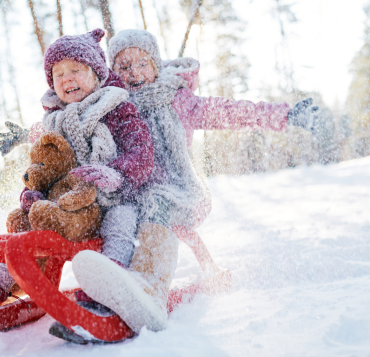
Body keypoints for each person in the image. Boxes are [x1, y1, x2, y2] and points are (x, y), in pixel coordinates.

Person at [0, 29, 319, 342]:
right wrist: (23, 137)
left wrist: (285, 116)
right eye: (123, 66)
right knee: (75, 212)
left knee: (151, 205)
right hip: (120, 192)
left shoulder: (175, 100)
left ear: (156, 64)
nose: (134, 72)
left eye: (142, 64)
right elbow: (70, 123)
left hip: (171, 192)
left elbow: (229, 112)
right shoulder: (112, 104)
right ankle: (24, 276)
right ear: (111, 71)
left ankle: (146, 286)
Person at [0, 28, 154, 321]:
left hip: (113, 197)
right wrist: (31, 191)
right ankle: (8, 275)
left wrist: (115, 174)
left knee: (119, 224)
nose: (66, 78)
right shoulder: (53, 120)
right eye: (58, 74)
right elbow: (43, 167)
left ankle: (111, 283)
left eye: (75, 70)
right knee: (26, 220)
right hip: (66, 202)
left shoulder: (117, 108)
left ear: (96, 74)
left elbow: (142, 153)